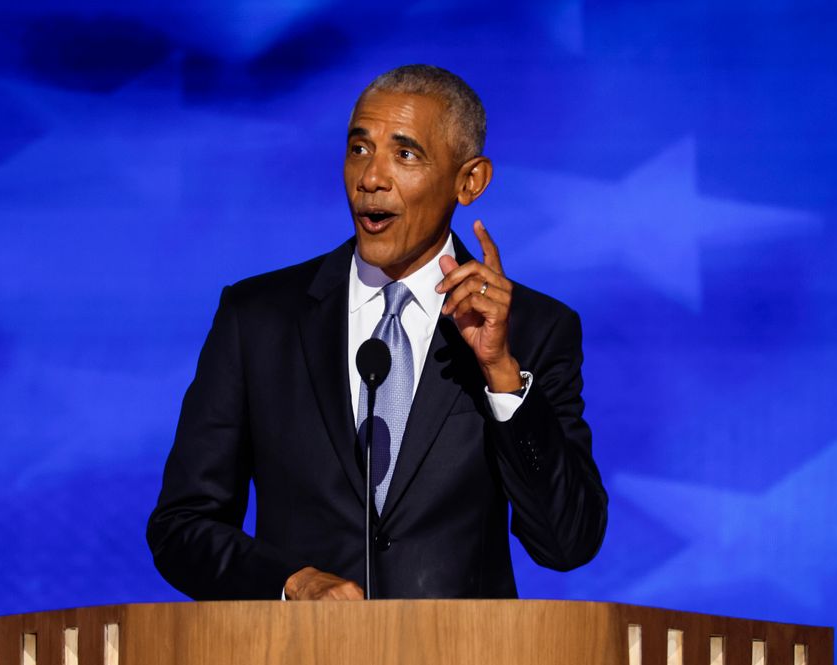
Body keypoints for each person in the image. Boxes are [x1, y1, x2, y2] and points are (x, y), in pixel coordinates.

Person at [147, 65, 607, 601]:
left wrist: (502, 375)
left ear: (470, 181)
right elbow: (181, 527)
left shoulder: (536, 330)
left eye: (405, 154)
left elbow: (568, 542)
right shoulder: (259, 319)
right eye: (359, 149)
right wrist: (289, 583)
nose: (371, 178)